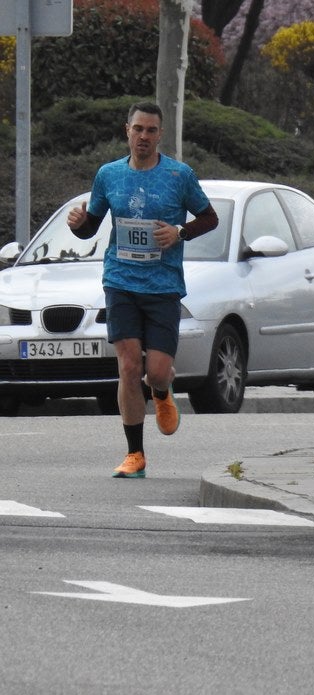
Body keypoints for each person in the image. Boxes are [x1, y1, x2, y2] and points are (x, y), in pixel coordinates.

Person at [67, 101, 219, 479]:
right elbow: (91, 227)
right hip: (120, 281)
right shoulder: (109, 175)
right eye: (138, 129)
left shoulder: (179, 175)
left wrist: (180, 231)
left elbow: (210, 217)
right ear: (127, 131)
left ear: (159, 135)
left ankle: (163, 393)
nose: (144, 137)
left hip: (163, 285)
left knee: (158, 370)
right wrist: (79, 224)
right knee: (129, 366)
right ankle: (135, 455)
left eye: (151, 131)